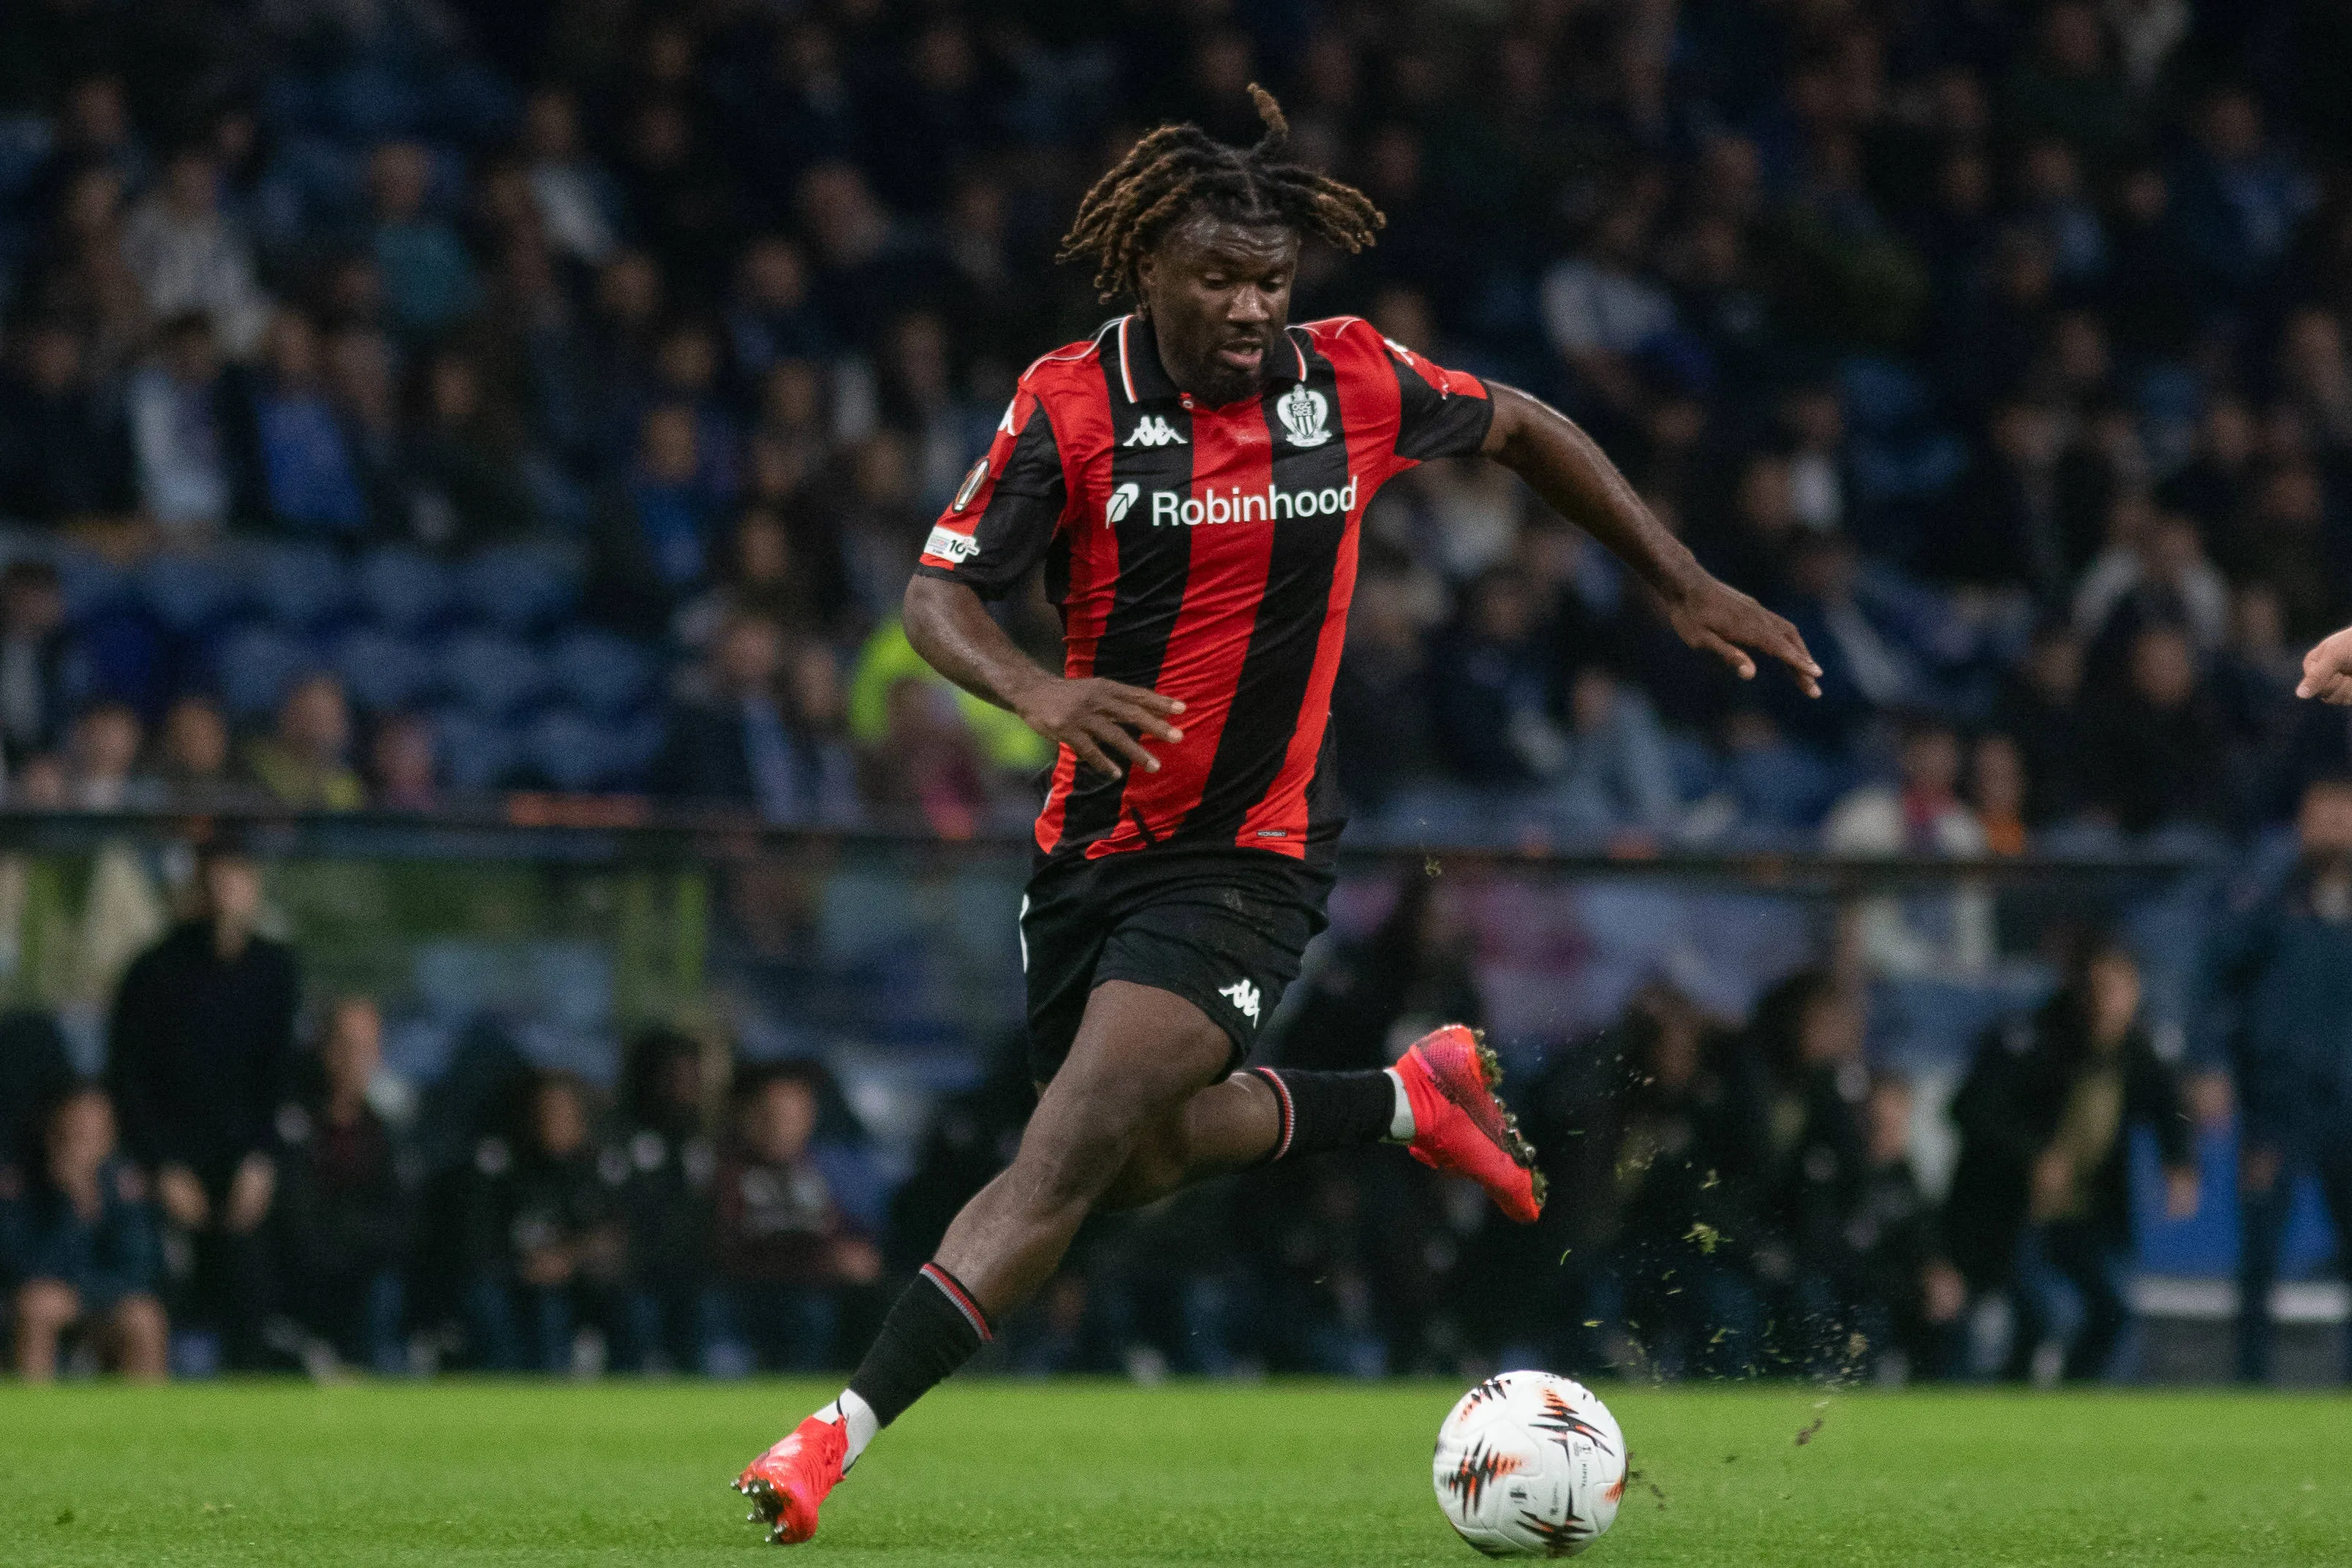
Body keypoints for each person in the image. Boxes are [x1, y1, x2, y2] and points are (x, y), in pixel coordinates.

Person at [733, 87, 1819, 1544]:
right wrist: (1035, 691)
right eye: (1219, 278)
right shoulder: (1070, 404)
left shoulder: (1350, 381)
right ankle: (1407, 1098)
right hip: (1092, 850)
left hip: (1253, 850)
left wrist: (1676, 578)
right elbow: (936, 594)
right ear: (1150, 269)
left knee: (1065, 1148)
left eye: (1270, 279)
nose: (1251, 306)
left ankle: (828, 1437)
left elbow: (1521, 423)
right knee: (1144, 1158)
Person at [1945, 937, 2196, 1383]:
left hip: (2086, 1215)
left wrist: (2179, 1163)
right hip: (2012, 1213)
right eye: (2096, 988)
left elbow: (2167, 1106)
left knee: (2112, 1312)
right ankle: (2008, 1404)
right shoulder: (2031, 1039)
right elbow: (1970, 1107)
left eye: (2117, 989)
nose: (2105, 1002)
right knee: (2041, 1316)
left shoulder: (2137, 1051)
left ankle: (2076, 1407)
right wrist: (2030, 1156)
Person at [104, 841, 298, 1369]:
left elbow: (278, 1081)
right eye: (213, 881)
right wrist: (162, 1164)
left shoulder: (276, 972)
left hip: (243, 1165)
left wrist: (261, 1160)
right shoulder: (152, 972)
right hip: (167, 1164)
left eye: (235, 878)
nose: (223, 893)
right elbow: (130, 1082)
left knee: (255, 1271)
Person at [2204, 777, 2352, 1383]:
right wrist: (2208, 1062)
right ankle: (2250, 1381)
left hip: (2348, 1102)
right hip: (2276, 1103)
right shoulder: (2266, 901)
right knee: (2259, 1251)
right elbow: (2215, 981)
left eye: (2343, 814)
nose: (2333, 828)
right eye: (2321, 815)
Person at [273, 997, 410, 1375]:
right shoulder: (289, 1126)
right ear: (322, 1047)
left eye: (365, 1048)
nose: (354, 1060)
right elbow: (296, 1223)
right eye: (344, 1045)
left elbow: (402, 1223)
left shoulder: (392, 1132)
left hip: (369, 1278)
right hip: (301, 1281)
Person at [713, 1064, 881, 1372]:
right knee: (812, 1315)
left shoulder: (814, 1173)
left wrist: (857, 1254)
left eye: (794, 1117)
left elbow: (842, 1227)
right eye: (772, 1115)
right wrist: (822, 1261)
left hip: (820, 1289)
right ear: (748, 1116)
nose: (782, 1127)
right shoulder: (726, 1173)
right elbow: (728, 1247)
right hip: (754, 1295)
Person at [0, 1086, 167, 1381]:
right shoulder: (23, 1181)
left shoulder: (123, 1185)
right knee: (36, 1308)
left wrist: (85, 1293)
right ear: (53, 1134)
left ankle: (144, 1425)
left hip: (102, 1298)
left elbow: (144, 1268)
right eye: (75, 1133)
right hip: (45, 1300)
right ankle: (35, 1422)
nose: (84, 1147)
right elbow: (18, 1265)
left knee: (145, 1318)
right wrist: (69, 1204)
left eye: (96, 1135)